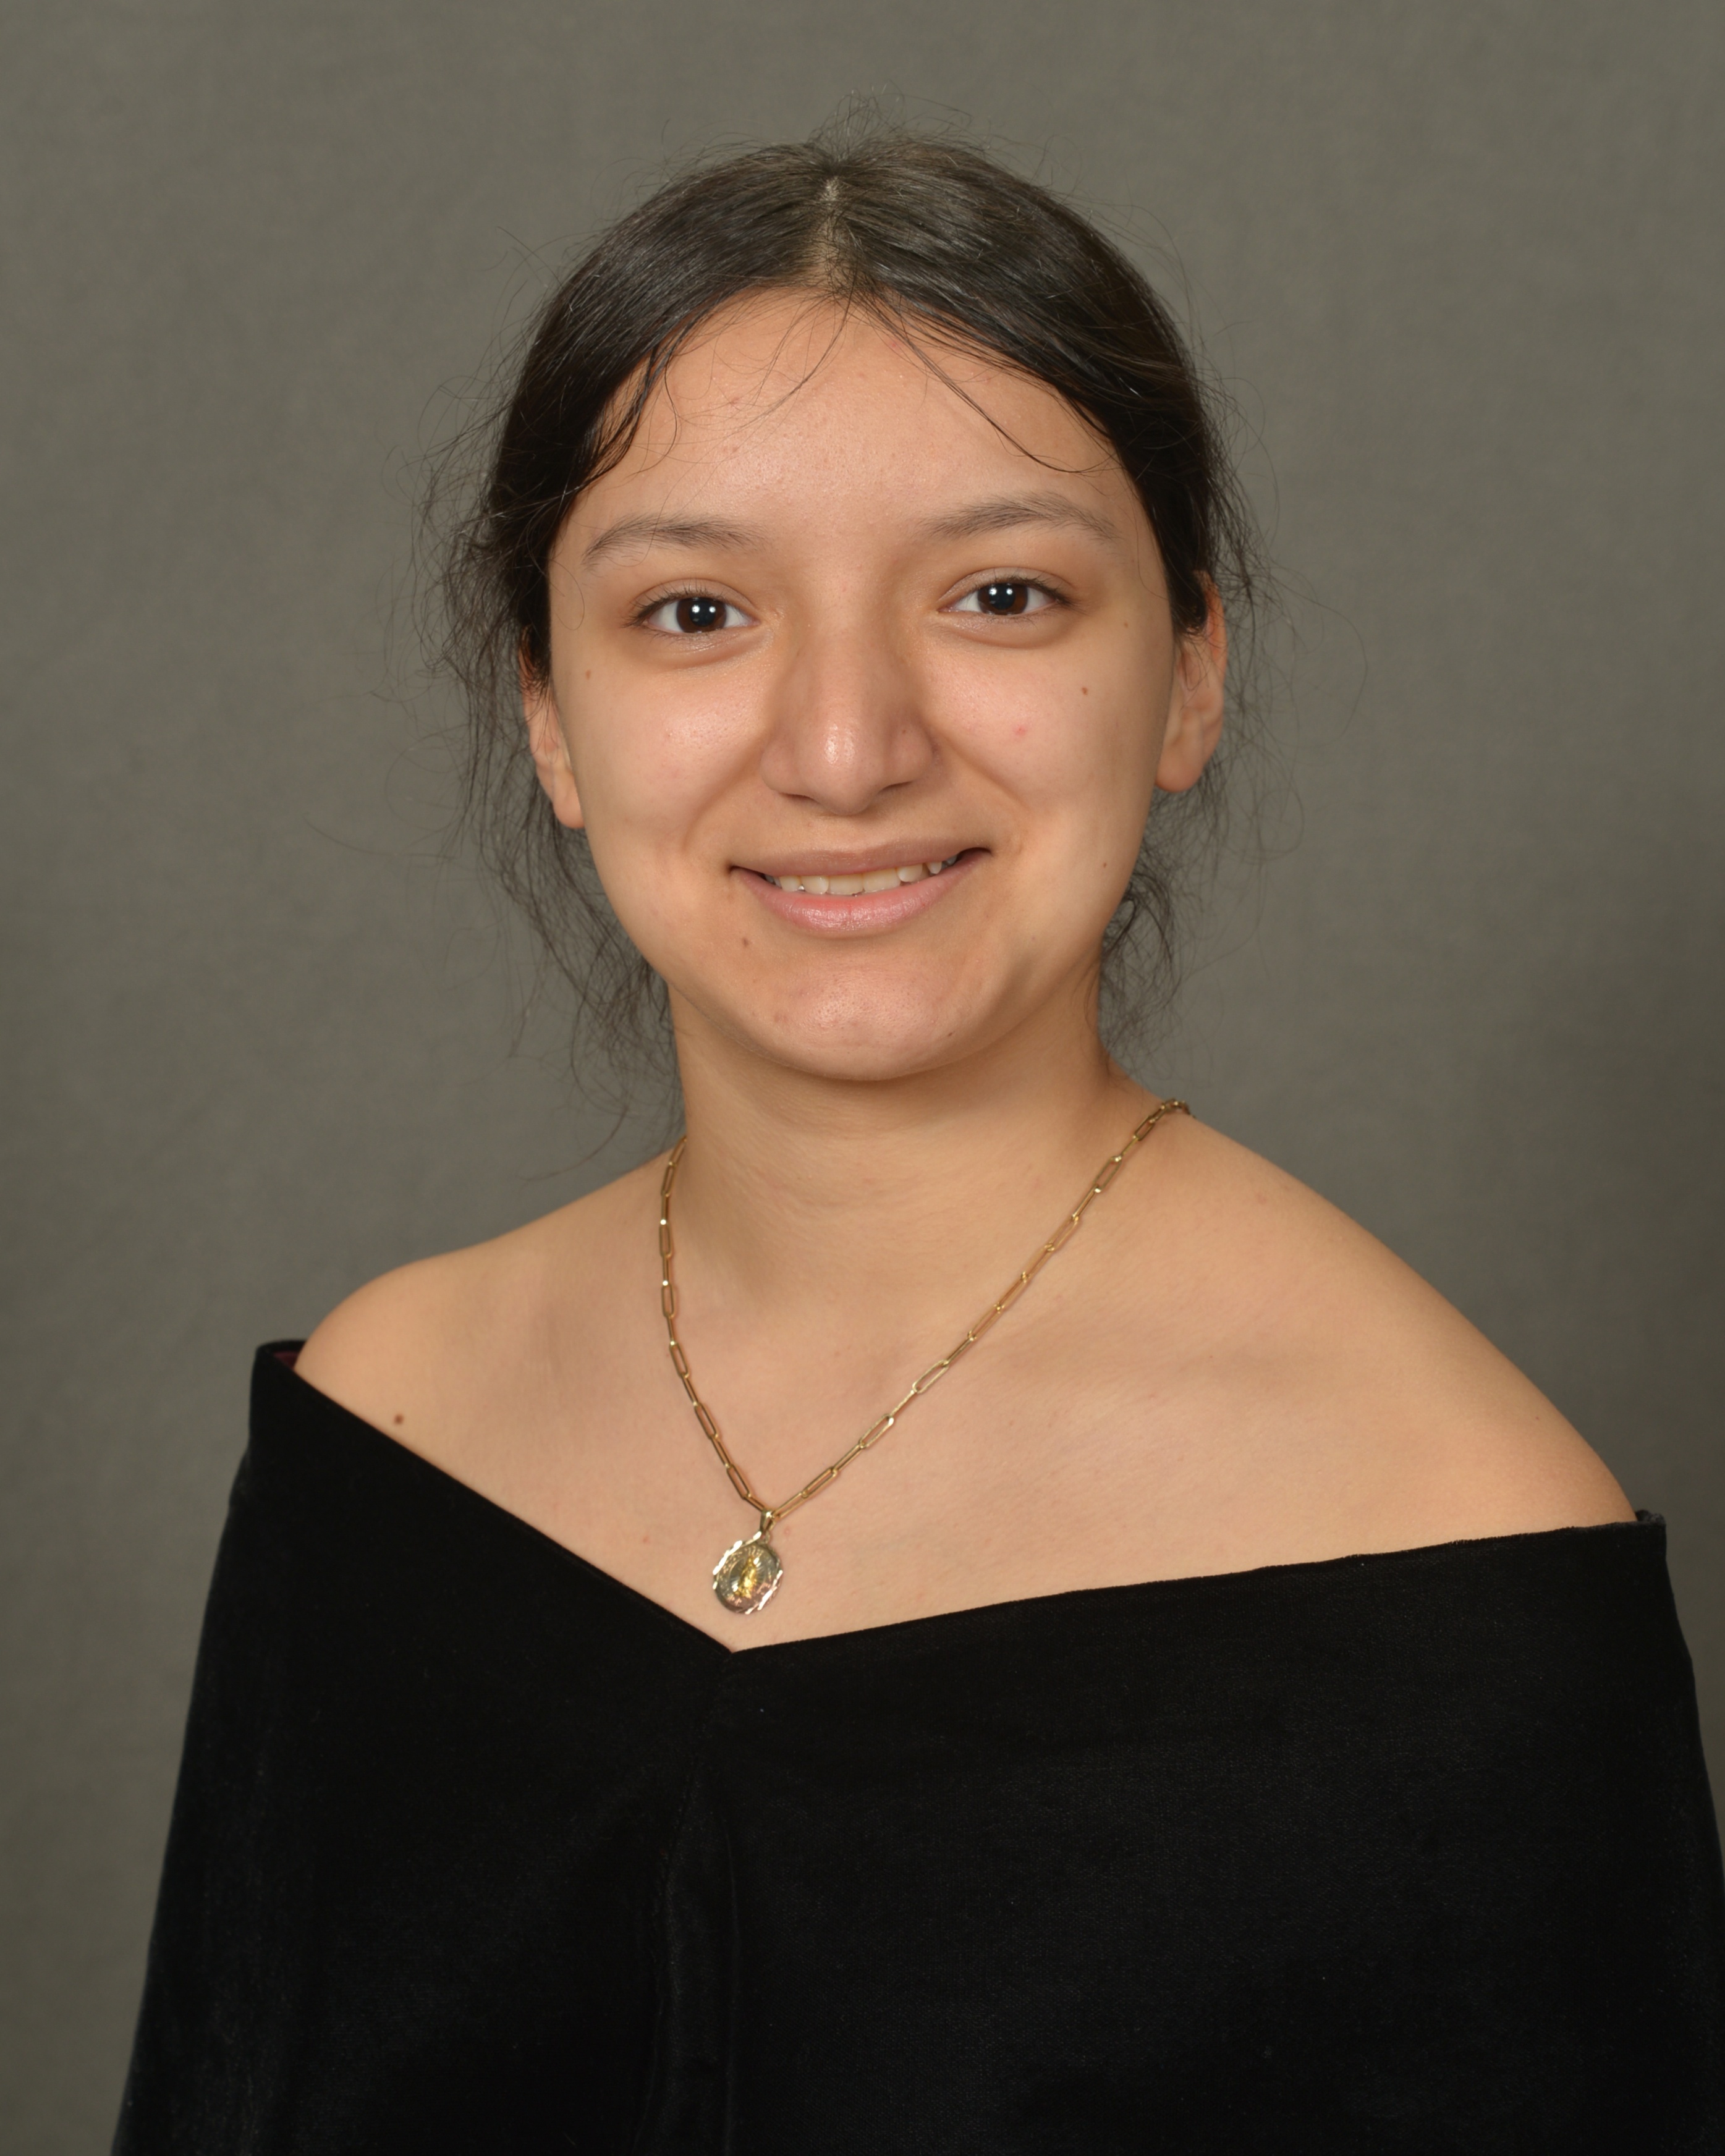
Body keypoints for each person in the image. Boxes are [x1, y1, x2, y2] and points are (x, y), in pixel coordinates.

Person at [115, 123, 1725, 2152]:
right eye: (695, 610)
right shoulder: (383, 1431)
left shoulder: (1465, 1568)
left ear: (1188, 677)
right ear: (546, 712)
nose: (847, 744)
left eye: (1000, 593)